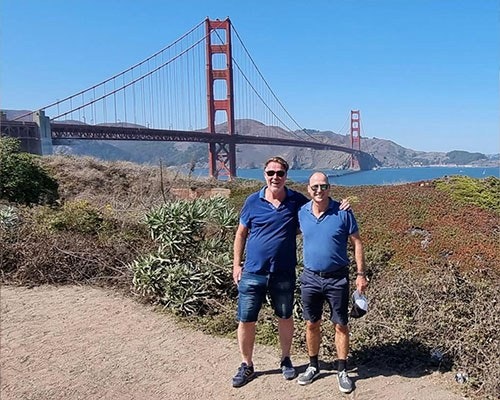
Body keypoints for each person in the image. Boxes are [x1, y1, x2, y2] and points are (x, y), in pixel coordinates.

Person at [231, 157, 351, 388]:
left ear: (287, 176)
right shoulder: (252, 201)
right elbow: (241, 233)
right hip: (253, 272)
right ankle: (247, 365)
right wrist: (237, 264)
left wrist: (342, 206)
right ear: (264, 174)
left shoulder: (296, 201)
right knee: (246, 319)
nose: (275, 177)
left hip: (283, 272)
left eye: (280, 173)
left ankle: (286, 359)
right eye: (270, 173)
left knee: (285, 317)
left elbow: (320, 203)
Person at [296, 171, 368, 394]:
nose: (319, 190)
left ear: (330, 188)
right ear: (308, 189)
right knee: (311, 323)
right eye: (315, 187)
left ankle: (342, 370)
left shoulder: (343, 212)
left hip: (337, 278)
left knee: (341, 324)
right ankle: (313, 366)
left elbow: (357, 243)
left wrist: (360, 274)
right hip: (310, 277)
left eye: (323, 186)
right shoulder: (301, 213)